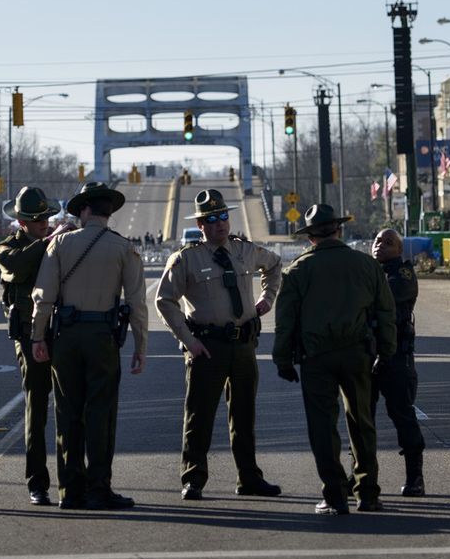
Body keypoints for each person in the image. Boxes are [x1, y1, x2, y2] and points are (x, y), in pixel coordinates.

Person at [156, 189, 283, 501]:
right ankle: (193, 478)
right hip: (207, 347)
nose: (219, 224)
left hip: (243, 345)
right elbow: (165, 300)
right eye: (211, 219)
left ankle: (249, 478)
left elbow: (275, 265)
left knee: (244, 415)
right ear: (201, 224)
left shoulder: (245, 251)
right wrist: (188, 341)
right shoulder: (186, 258)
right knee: (199, 417)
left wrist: (266, 299)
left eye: (223, 216)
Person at [30, 181, 147, 510]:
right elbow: (137, 303)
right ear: (108, 211)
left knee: (67, 413)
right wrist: (141, 345)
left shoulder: (60, 245)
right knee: (101, 414)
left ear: (83, 209)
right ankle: (99, 489)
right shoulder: (123, 248)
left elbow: (43, 297)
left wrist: (38, 336)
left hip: (65, 337)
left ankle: (70, 491)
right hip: (102, 338)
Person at [273, 204, 395, 516]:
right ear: (338, 229)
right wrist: (387, 351)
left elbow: (286, 322)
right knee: (362, 423)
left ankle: (335, 495)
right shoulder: (366, 265)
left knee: (322, 427)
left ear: (310, 236)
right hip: (357, 354)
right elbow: (385, 311)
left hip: (316, 358)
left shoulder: (298, 271)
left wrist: (282, 360)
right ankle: (367, 493)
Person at [0, 186, 60, 506]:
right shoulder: (6, 248)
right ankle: (37, 481)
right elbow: (16, 266)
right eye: (36, 220)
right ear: (21, 221)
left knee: (70, 407)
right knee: (37, 408)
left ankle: (73, 478)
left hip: (61, 333)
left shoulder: (56, 243)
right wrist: (48, 243)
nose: (44, 224)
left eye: (46, 218)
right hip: (28, 334)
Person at [370, 229, 426, 496]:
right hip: (366, 357)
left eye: (388, 242)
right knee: (360, 418)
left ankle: (415, 477)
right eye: (378, 240)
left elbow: (380, 298)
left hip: (396, 358)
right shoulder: (370, 272)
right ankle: (361, 476)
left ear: (399, 250)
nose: (380, 245)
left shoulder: (402, 274)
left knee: (403, 416)